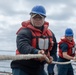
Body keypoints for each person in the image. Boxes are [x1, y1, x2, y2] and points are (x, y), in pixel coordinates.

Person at [11, 5, 57, 75]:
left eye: (40, 18)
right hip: (22, 67)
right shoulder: (24, 32)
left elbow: (54, 50)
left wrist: (52, 58)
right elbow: (23, 46)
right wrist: (36, 52)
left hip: (38, 68)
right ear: (30, 18)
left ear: (44, 19)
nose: (37, 20)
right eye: (35, 17)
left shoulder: (50, 34)